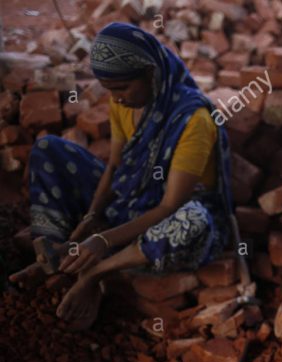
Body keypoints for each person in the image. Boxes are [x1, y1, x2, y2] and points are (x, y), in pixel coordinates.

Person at [9, 22, 233, 330]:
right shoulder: (125, 104)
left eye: (123, 88)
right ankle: (55, 254)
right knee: (49, 149)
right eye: (110, 90)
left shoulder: (192, 119)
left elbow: (169, 207)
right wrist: (90, 219)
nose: (116, 99)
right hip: (133, 198)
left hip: (173, 216)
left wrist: (101, 241)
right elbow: (115, 166)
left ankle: (97, 272)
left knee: (191, 221)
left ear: (151, 73)